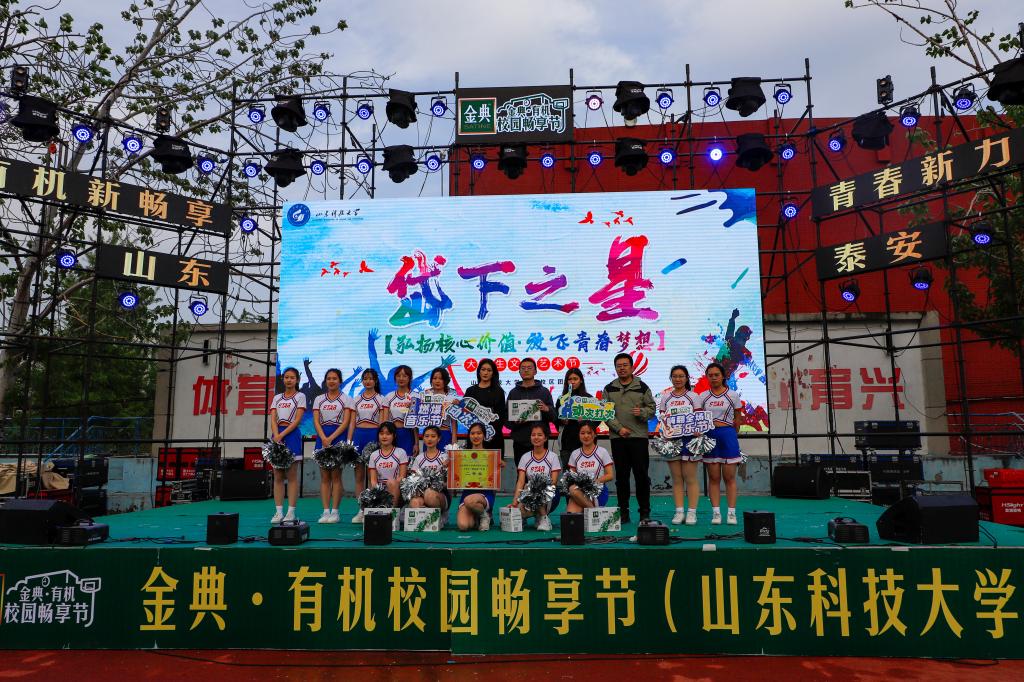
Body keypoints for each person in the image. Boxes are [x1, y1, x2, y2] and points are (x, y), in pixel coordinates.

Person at [603, 353, 656, 523]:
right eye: (619, 366)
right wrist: (619, 429)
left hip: (638, 438)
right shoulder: (609, 388)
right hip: (618, 439)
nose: (622, 368)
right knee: (621, 478)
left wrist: (642, 412)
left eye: (625, 365)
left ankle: (644, 512)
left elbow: (652, 409)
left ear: (632, 367)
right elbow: (605, 413)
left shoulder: (642, 387)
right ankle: (623, 512)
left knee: (642, 476)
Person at [657, 365, 703, 525]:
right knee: (677, 479)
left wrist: (697, 430)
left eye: (681, 376)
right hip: (672, 441)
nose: (678, 379)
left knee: (690, 478)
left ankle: (692, 513)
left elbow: (699, 419)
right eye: (675, 376)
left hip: (689, 441)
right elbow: (663, 420)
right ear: (671, 378)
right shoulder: (665, 398)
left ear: (687, 378)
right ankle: (679, 512)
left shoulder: (693, 396)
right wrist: (665, 432)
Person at [700, 362, 744, 525]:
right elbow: (698, 418)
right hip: (710, 436)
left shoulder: (732, 395)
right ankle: (716, 513)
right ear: (707, 377)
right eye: (710, 375)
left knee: (729, 477)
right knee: (713, 477)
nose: (713, 378)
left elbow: (738, 417)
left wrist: (731, 433)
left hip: (727, 436)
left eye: (716, 375)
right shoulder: (703, 396)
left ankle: (731, 513)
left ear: (723, 376)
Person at [311, 368, 351, 524]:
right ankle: (325, 511)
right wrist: (323, 438)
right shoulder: (319, 399)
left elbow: (346, 422)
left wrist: (332, 438)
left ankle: (335, 512)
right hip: (322, 438)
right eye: (329, 378)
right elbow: (316, 421)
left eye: (335, 378)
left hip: (338, 437)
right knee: (324, 477)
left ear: (340, 381)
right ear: (325, 381)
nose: (331, 381)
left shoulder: (346, 399)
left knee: (336, 476)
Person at [347, 368, 385, 523]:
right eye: (365, 378)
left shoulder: (381, 399)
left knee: (372, 476)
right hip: (358, 436)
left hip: (373, 437)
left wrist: (381, 441)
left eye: (370, 378)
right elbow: (352, 423)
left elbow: (382, 423)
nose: (368, 381)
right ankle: (361, 509)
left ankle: (371, 507)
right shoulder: (356, 399)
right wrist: (349, 442)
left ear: (375, 381)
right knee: (359, 476)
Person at [508, 424, 561, 531]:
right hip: (530, 494)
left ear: (545, 438)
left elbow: (554, 482)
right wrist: (515, 503)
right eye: (533, 435)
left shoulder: (552, 456)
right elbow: (520, 481)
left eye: (540, 435)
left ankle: (544, 518)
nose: (536, 437)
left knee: (532, 487)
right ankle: (538, 516)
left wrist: (537, 488)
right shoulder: (525, 457)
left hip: (550, 495)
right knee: (519, 512)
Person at [270, 367, 306, 524]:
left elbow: (297, 420)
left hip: (292, 436)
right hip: (277, 436)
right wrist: (276, 435)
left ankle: (291, 512)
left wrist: (282, 435)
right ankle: (279, 512)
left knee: (291, 476)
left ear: (297, 380)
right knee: (278, 475)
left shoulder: (300, 396)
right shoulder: (277, 398)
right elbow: (273, 418)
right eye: (286, 377)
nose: (289, 380)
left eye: (292, 377)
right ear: (283, 379)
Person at [506, 358, 556, 459]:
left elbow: (554, 417)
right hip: (520, 441)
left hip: (540, 441)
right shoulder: (513, 393)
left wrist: (546, 409)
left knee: (541, 469)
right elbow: (506, 418)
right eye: (523, 368)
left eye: (529, 368)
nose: (526, 370)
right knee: (520, 468)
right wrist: (514, 422)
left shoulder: (544, 392)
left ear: (535, 371)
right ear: (519, 371)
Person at [455, 422, 502, 531]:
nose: (475, 436)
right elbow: (456, 478)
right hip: (467, 494)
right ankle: (477, 517)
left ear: (484, 435)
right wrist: (451, 464)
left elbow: (495, 483)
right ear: (469, 436)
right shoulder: (461, 456)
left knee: (469, 501)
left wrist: (499, 466)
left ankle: (485, 515)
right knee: (463, 526)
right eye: (472, 433)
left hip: (485, 495)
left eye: (479, 433)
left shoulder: (492, 455)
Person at [565, 422, 614, 512]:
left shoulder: (602, 452)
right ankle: (595, 512)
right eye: (582, 433)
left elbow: (610, 475)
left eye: (589, 433)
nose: (586, 436)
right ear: (578, 435)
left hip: (598, 491)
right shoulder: (575, 453)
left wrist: (592, 483)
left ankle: (594, 512)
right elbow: (572, 477)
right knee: (571, 513)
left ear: (595, 434)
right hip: (579, 491)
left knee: (573, 490)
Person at [463, 358, 506, 453]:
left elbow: (501, 417)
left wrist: (489, 433)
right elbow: (465, 413)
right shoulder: (470, 391)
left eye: (489, 370)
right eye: (483, 369)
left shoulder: (498, 391)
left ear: (493, 373)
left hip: (493, 436)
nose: (485, 373)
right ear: (479, 372)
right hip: (474, 437)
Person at [556, 367, 596, 469]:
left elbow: (597, 420)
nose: (572, 382)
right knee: (568, 474)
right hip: (566, 443)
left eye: (575, 379)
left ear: (581, 380)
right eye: (570, 379)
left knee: (586, 473)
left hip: (585, 443)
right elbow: (555, 420)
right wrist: (561, 421)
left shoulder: (589, 399)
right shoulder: (561, 399)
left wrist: (586, 421)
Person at [407, 425, 450, 513]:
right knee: (415, 502)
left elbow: (450, 483)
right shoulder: (419, 458)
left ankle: (441, 516)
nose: (429, 439)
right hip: (422, 493)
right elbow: (413, 481)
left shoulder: (445, 457)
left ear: (439, 439)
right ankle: (428, 518)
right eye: (426, 436)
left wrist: (439, 485)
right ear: (423, 438)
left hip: (441, 494)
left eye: (433, 436)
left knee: (429, 494)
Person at [367, 422, 409, 510]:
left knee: (391, 482)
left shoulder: (401, 452)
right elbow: (373, 481)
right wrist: (379, 494)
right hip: (380, 491)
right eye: (381, 433)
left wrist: (391, 487)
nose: (384, 436)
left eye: (388, 434)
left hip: (398, 491)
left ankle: (392, 513)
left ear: (394, 436)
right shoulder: (374, 455)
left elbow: (402, 477)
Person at [383, 364, 418, 456]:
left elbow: (416, 424)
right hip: (391, 435)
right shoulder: (389, 397)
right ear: (395, 378)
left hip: (408, 434)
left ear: (410, 378)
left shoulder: (415, 396)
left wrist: (416, 443)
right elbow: (385, 421)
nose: (401, 378)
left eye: (404, 376)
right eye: (398, 376)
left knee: (407, 462)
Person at [422, 367, 459, 451]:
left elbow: (454, 420)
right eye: (435, 378)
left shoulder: (451, 395)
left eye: (441, 378)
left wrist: (454, 438)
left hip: (445, 433)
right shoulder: (426, 394)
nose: (437, 381)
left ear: (445, 380)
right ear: (431, 380)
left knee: (445, 458)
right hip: (429, 434)